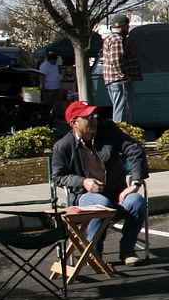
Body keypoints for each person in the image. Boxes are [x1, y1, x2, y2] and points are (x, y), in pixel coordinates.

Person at [50, 100, 148, 266]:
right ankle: (94, 252)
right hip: (84, 196)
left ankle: (127, 250)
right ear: (74, 123)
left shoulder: (108, 130)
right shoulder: (63, 146)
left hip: (116, 191)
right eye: (87, 117)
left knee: (136, 201)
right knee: (101, 204)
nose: (94, 120)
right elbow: (58, 177)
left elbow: (135, 150)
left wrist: (135, 183)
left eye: (94, 116)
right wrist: (84, 182)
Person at [101, 14, 142, 125]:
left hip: (113, 79)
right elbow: (117, 60)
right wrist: (125, 76)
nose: (128, 28)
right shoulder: (117, 39)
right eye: (127, 26)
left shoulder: (109, 38)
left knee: (119, 107)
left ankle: (120, 132)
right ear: (122, 26)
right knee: (123, 109)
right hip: (120, 81)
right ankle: (121, 133)